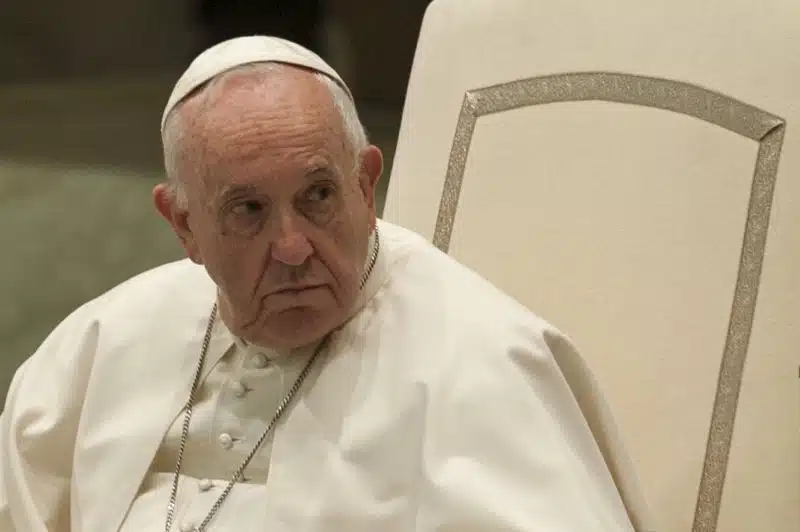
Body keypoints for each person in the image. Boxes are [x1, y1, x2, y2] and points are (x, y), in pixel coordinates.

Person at [0, 36, 651, 531]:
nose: (291, 247)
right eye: (248, 210)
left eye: (317, 196)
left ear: (365, 186)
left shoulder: (482, 360)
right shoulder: (106, 339)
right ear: (184, 224)